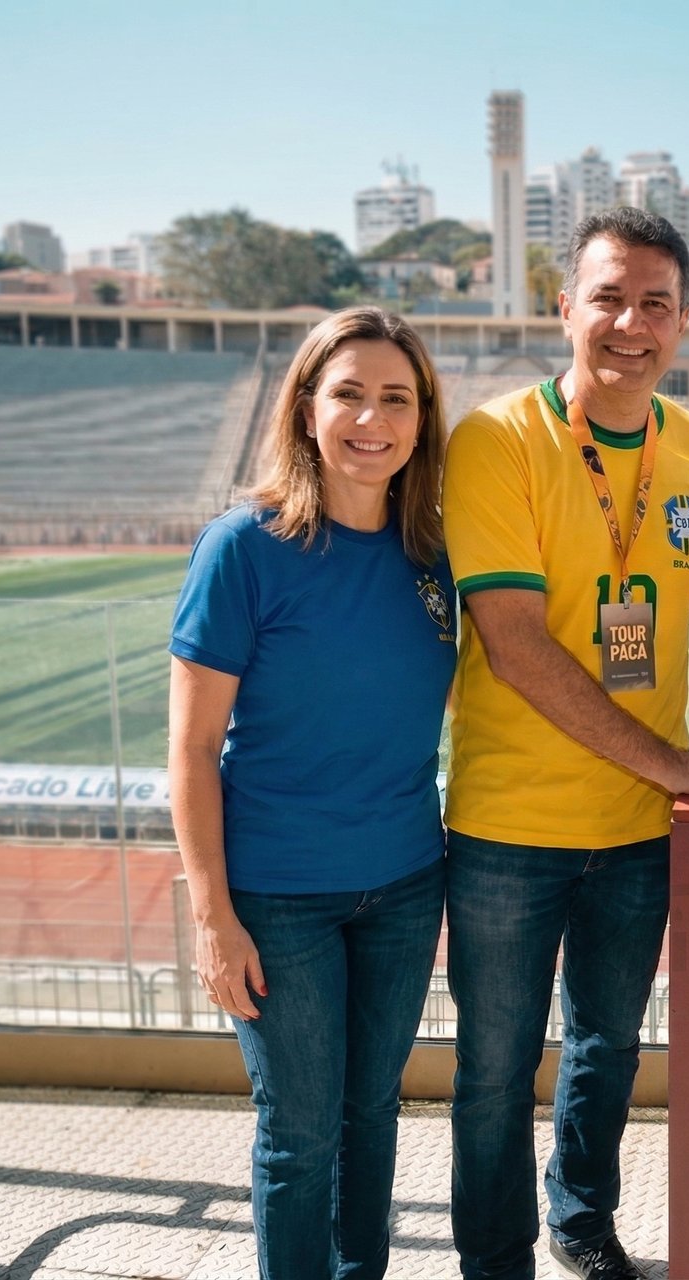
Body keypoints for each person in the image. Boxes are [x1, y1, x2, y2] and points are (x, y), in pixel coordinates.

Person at [442, 207, 689, 1280]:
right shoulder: (497, 440)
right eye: (608, 298)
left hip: (639, 826)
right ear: (566, 309)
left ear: (683, 321)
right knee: (496, 1069)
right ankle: (494, 1260)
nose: (630, 323)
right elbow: (514, 645)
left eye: (655, 303)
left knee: (608, 1047)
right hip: (511, 827)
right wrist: (681, 768)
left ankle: (583, 1225)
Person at [167, 307, 453, 1279]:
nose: (373, 418)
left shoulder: (433, 555)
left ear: (421, 419)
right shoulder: (243, 548)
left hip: (406, 884)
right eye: (349, 393)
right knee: (300, 1131)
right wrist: (213, 917)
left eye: (396, 398)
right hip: (277, 897)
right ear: (305, 408)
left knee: (371, 1112)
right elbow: (192, 750)